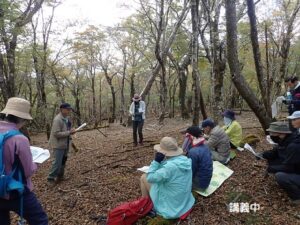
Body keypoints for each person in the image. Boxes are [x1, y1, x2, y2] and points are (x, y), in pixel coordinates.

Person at [0, 97, 48, 224]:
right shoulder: (20, 139)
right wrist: (37, 161)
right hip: (16, 191)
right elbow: (28, 171)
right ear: (21, 119)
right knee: (40, 220)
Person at [140, 137, 195, 219]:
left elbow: (150, 178)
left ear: (164, 152)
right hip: (185, 201)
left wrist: (156, 162)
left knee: (143, 177)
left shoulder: (169, 168)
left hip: (172, 208)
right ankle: (145, 203)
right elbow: (170, 170)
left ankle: (144, 205)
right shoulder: (185, 160)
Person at [273, 112, 300, 205]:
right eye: (291, 119)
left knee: (280, 176)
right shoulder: (296, 132)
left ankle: (297, 197)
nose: (292, 122)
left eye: (294, 119)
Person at [47, 103, 76, 184]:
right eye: (67, 109)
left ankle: (60, 176)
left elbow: (67, 130)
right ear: (61, 109)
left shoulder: (66, 118)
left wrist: (71, 131)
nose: (69, 111)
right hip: (58, 145)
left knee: (63, 160)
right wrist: (69, 132)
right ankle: (50, 179)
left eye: (69, 109)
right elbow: (56, 133)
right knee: (57, 162)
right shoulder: (57, 119)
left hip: (65, 143)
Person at [182, 126, 213, 191]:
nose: (186, 139)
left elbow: (191, 171)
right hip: (206, 179)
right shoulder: (205, 146)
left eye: (187, 137)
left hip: (199, 184)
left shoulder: (193, 152)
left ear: (192, 137)